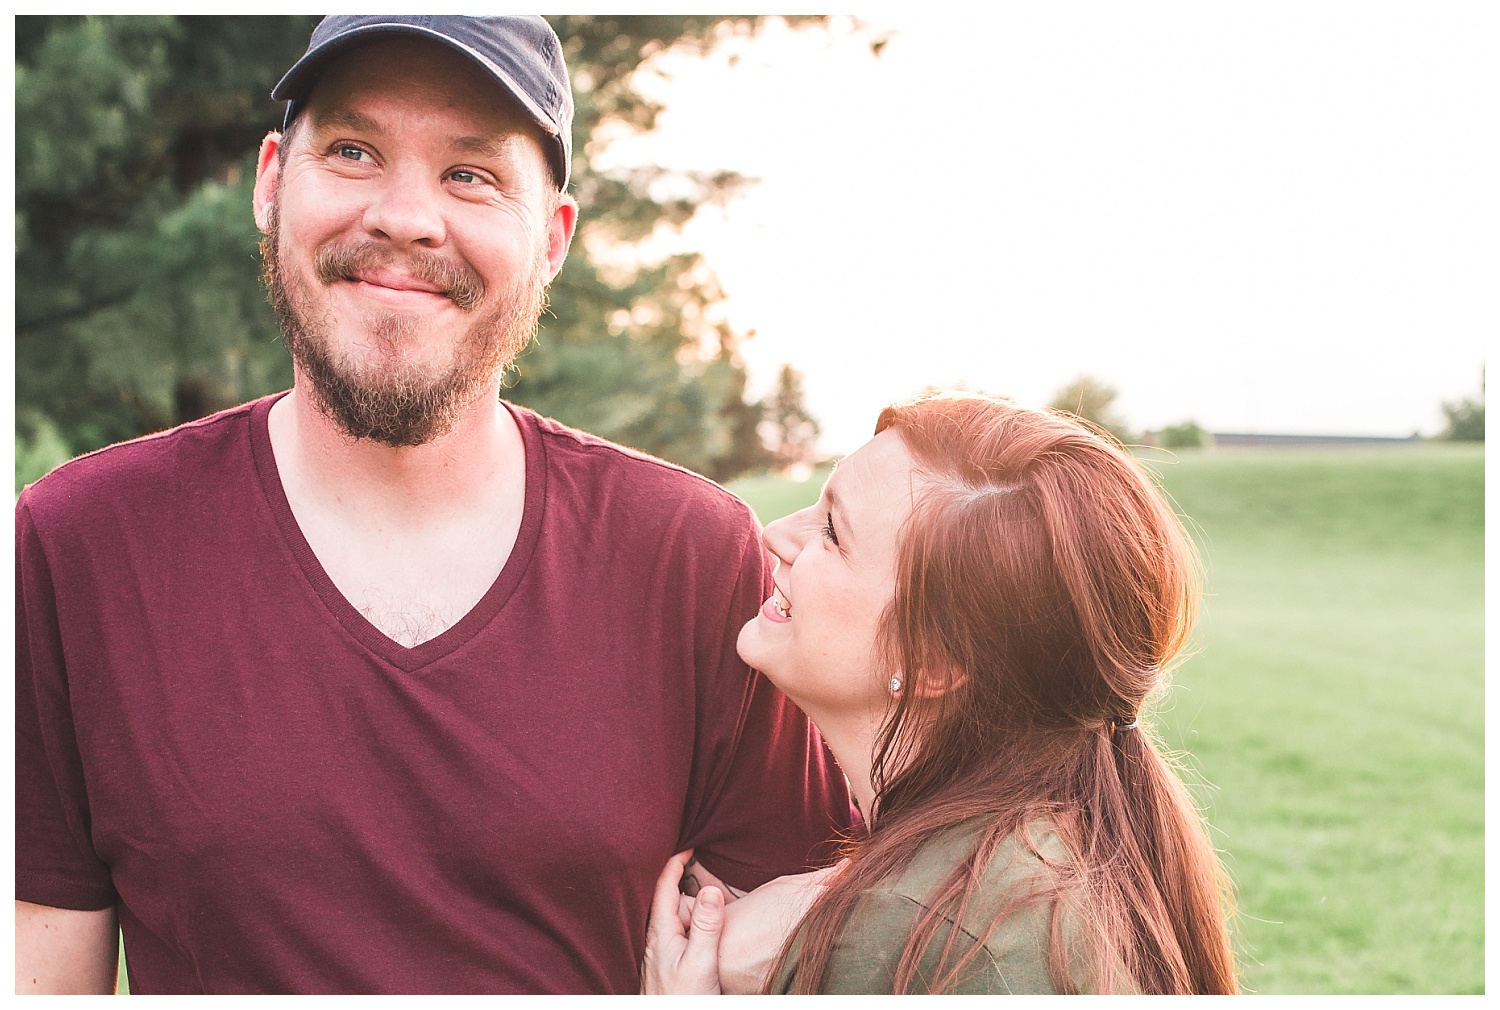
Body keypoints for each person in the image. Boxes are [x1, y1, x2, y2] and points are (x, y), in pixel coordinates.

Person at [15, 16, 853, 994]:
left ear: (552, 239)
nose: (407, 217)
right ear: (271, 183)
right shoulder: (78, 545)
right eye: (355, 151)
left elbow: (817, 936)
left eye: (470, 173)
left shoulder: (696, 559)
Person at [643, 391, 1239, 995]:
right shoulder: (1024, 867)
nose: (775, 534)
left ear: (933, 662)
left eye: (831, 533)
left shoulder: (941, 932)